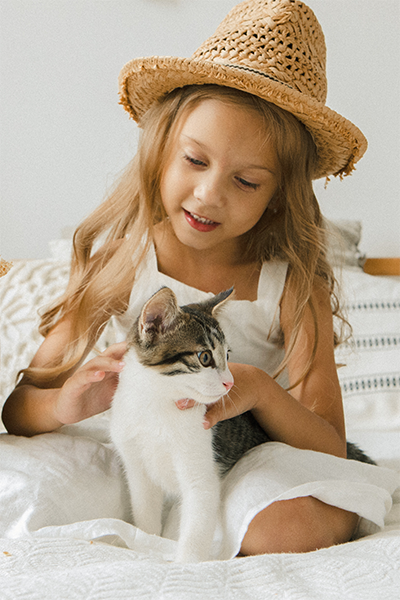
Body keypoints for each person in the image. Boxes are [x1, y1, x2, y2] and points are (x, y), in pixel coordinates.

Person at [2, 0, 376, 555]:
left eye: (247, 181)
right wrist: (65, 404)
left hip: (248, 454)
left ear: (278, 197)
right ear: (161, 153)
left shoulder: (292, 282)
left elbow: (329, 445)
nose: (208, 194)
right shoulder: (129, 259)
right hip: (144, 448)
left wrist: (256, 389)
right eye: (195, 161)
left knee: (288, 527)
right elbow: (20, 408)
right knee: (30, 495)